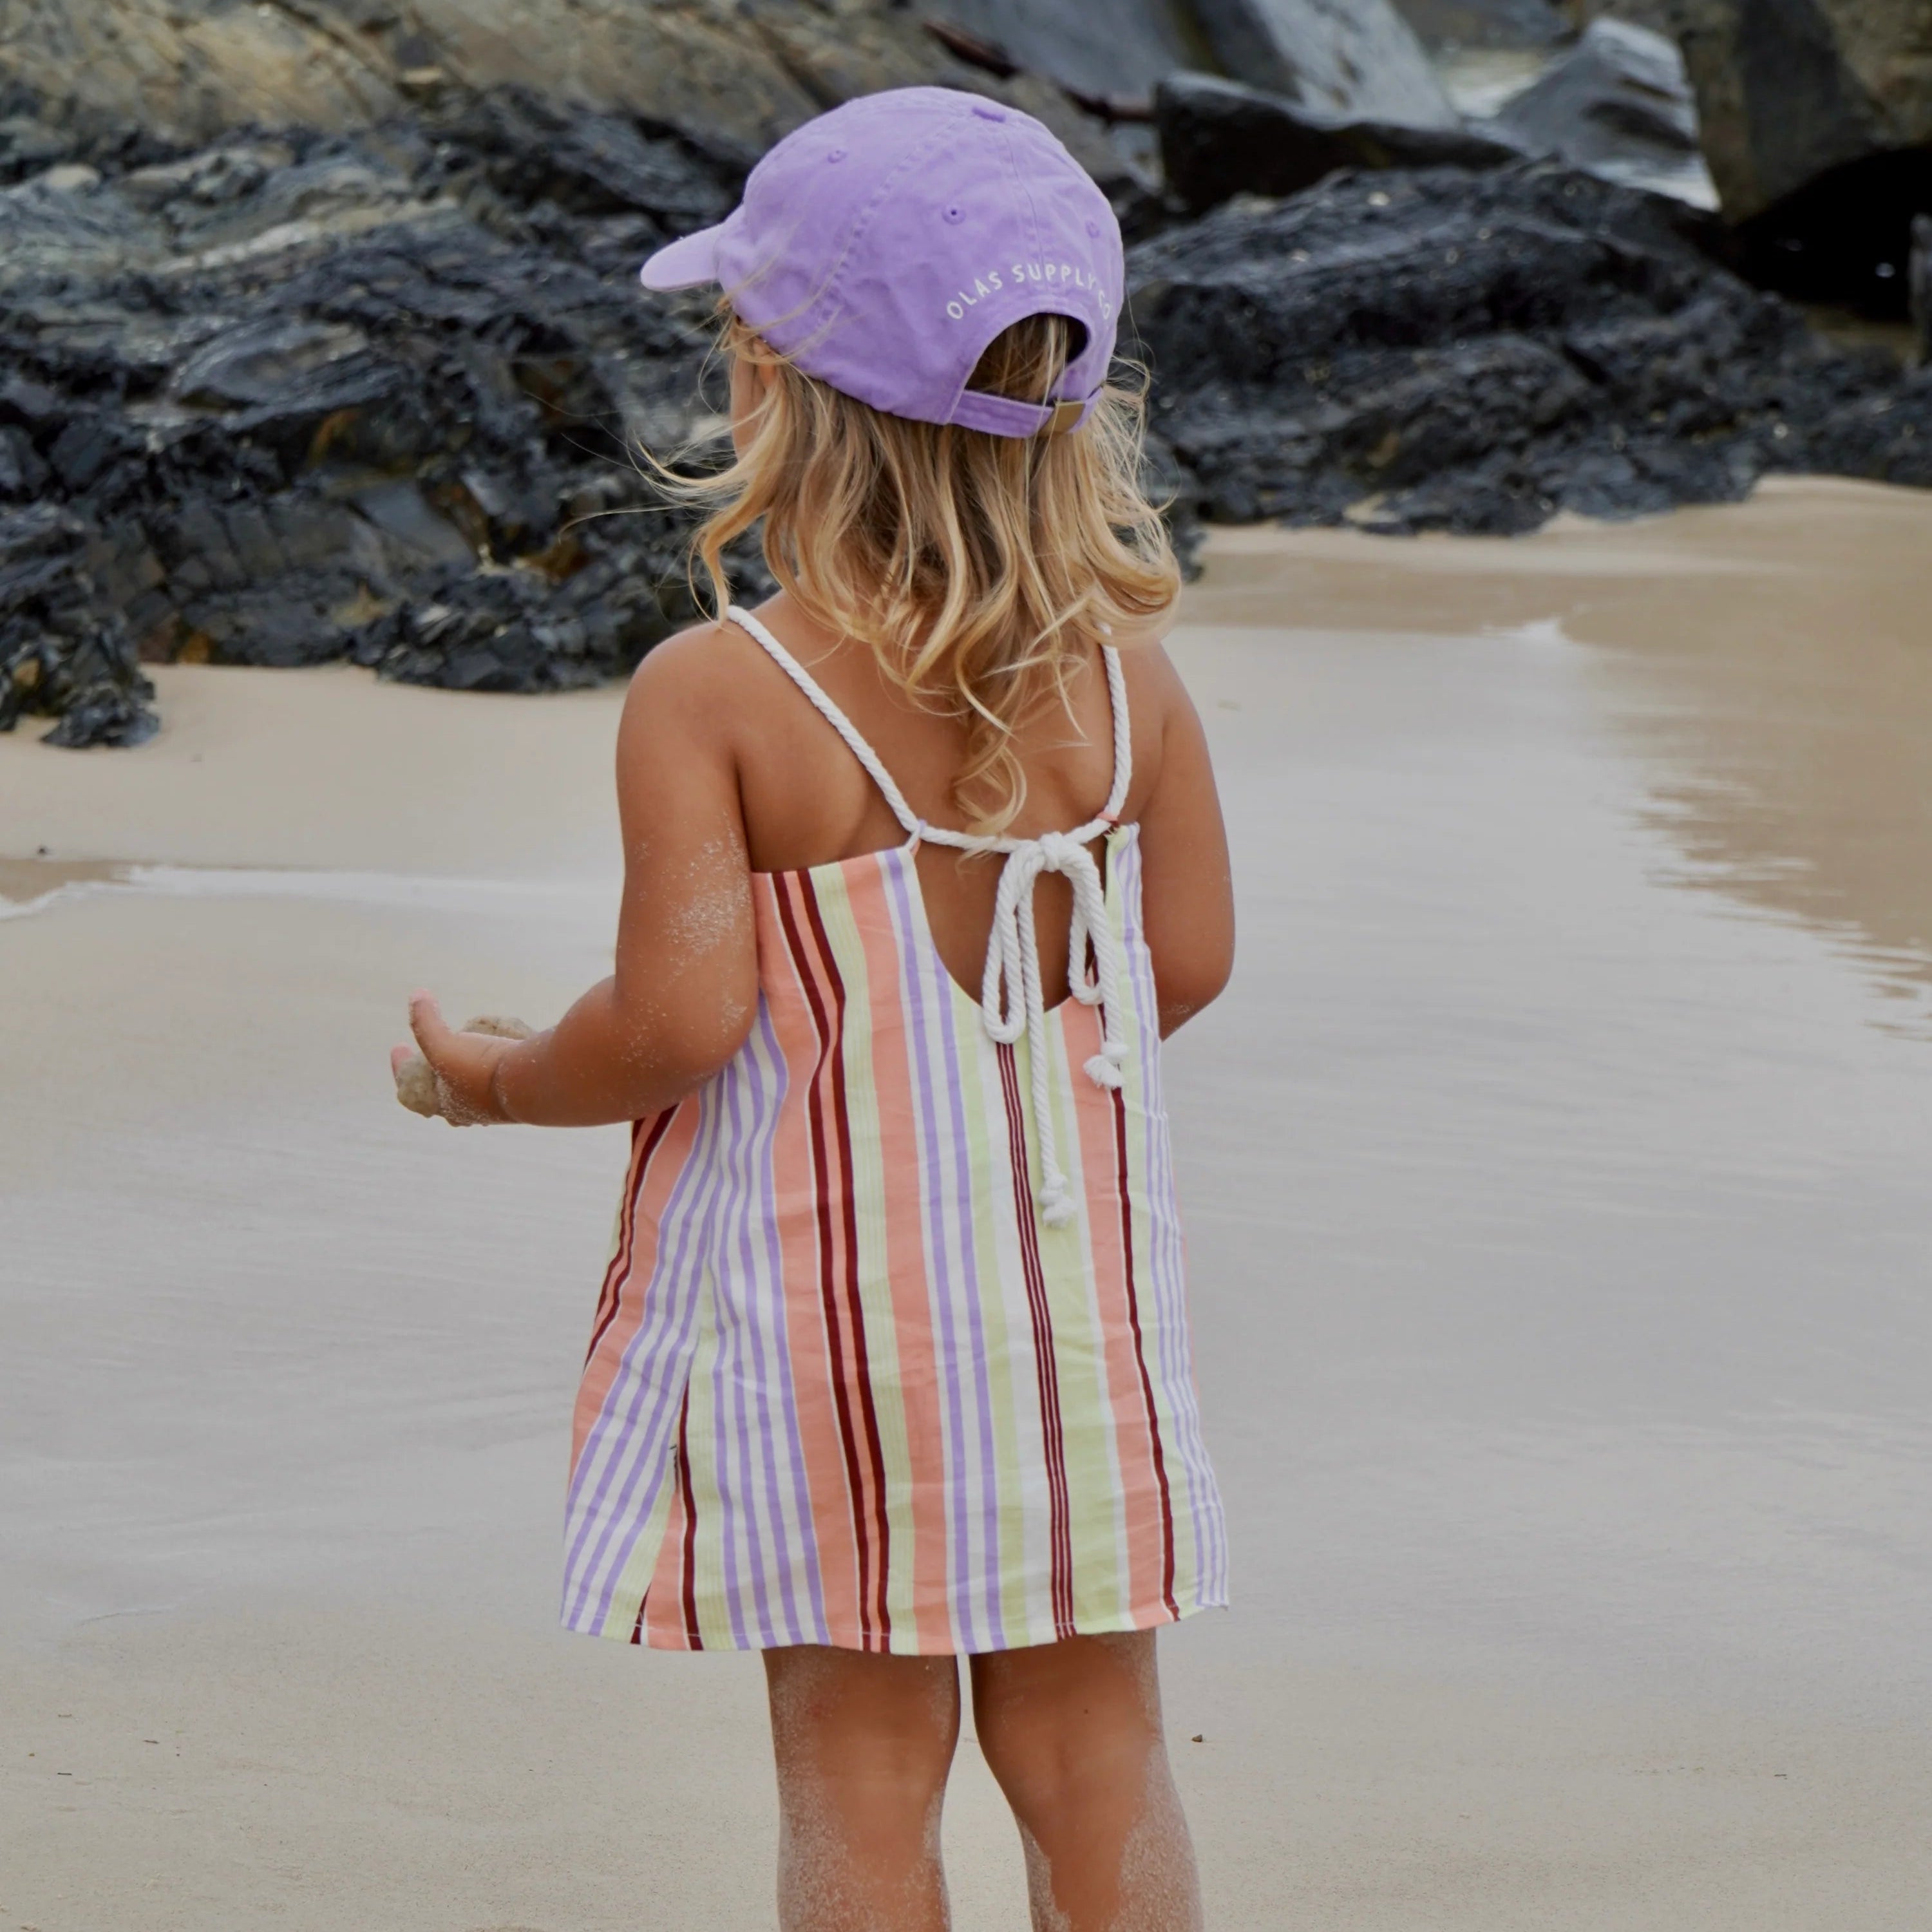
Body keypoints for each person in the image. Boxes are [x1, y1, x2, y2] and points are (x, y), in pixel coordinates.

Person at [393, 85, 1233, 1932]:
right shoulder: (1132, 693)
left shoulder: (723, 695)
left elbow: (678, 1023)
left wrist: (502, 1080)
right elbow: (1180, 966)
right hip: (1077, 1319)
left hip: (838, 1331)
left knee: (857, 1786)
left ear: (766, 383)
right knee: (1105, 1761)